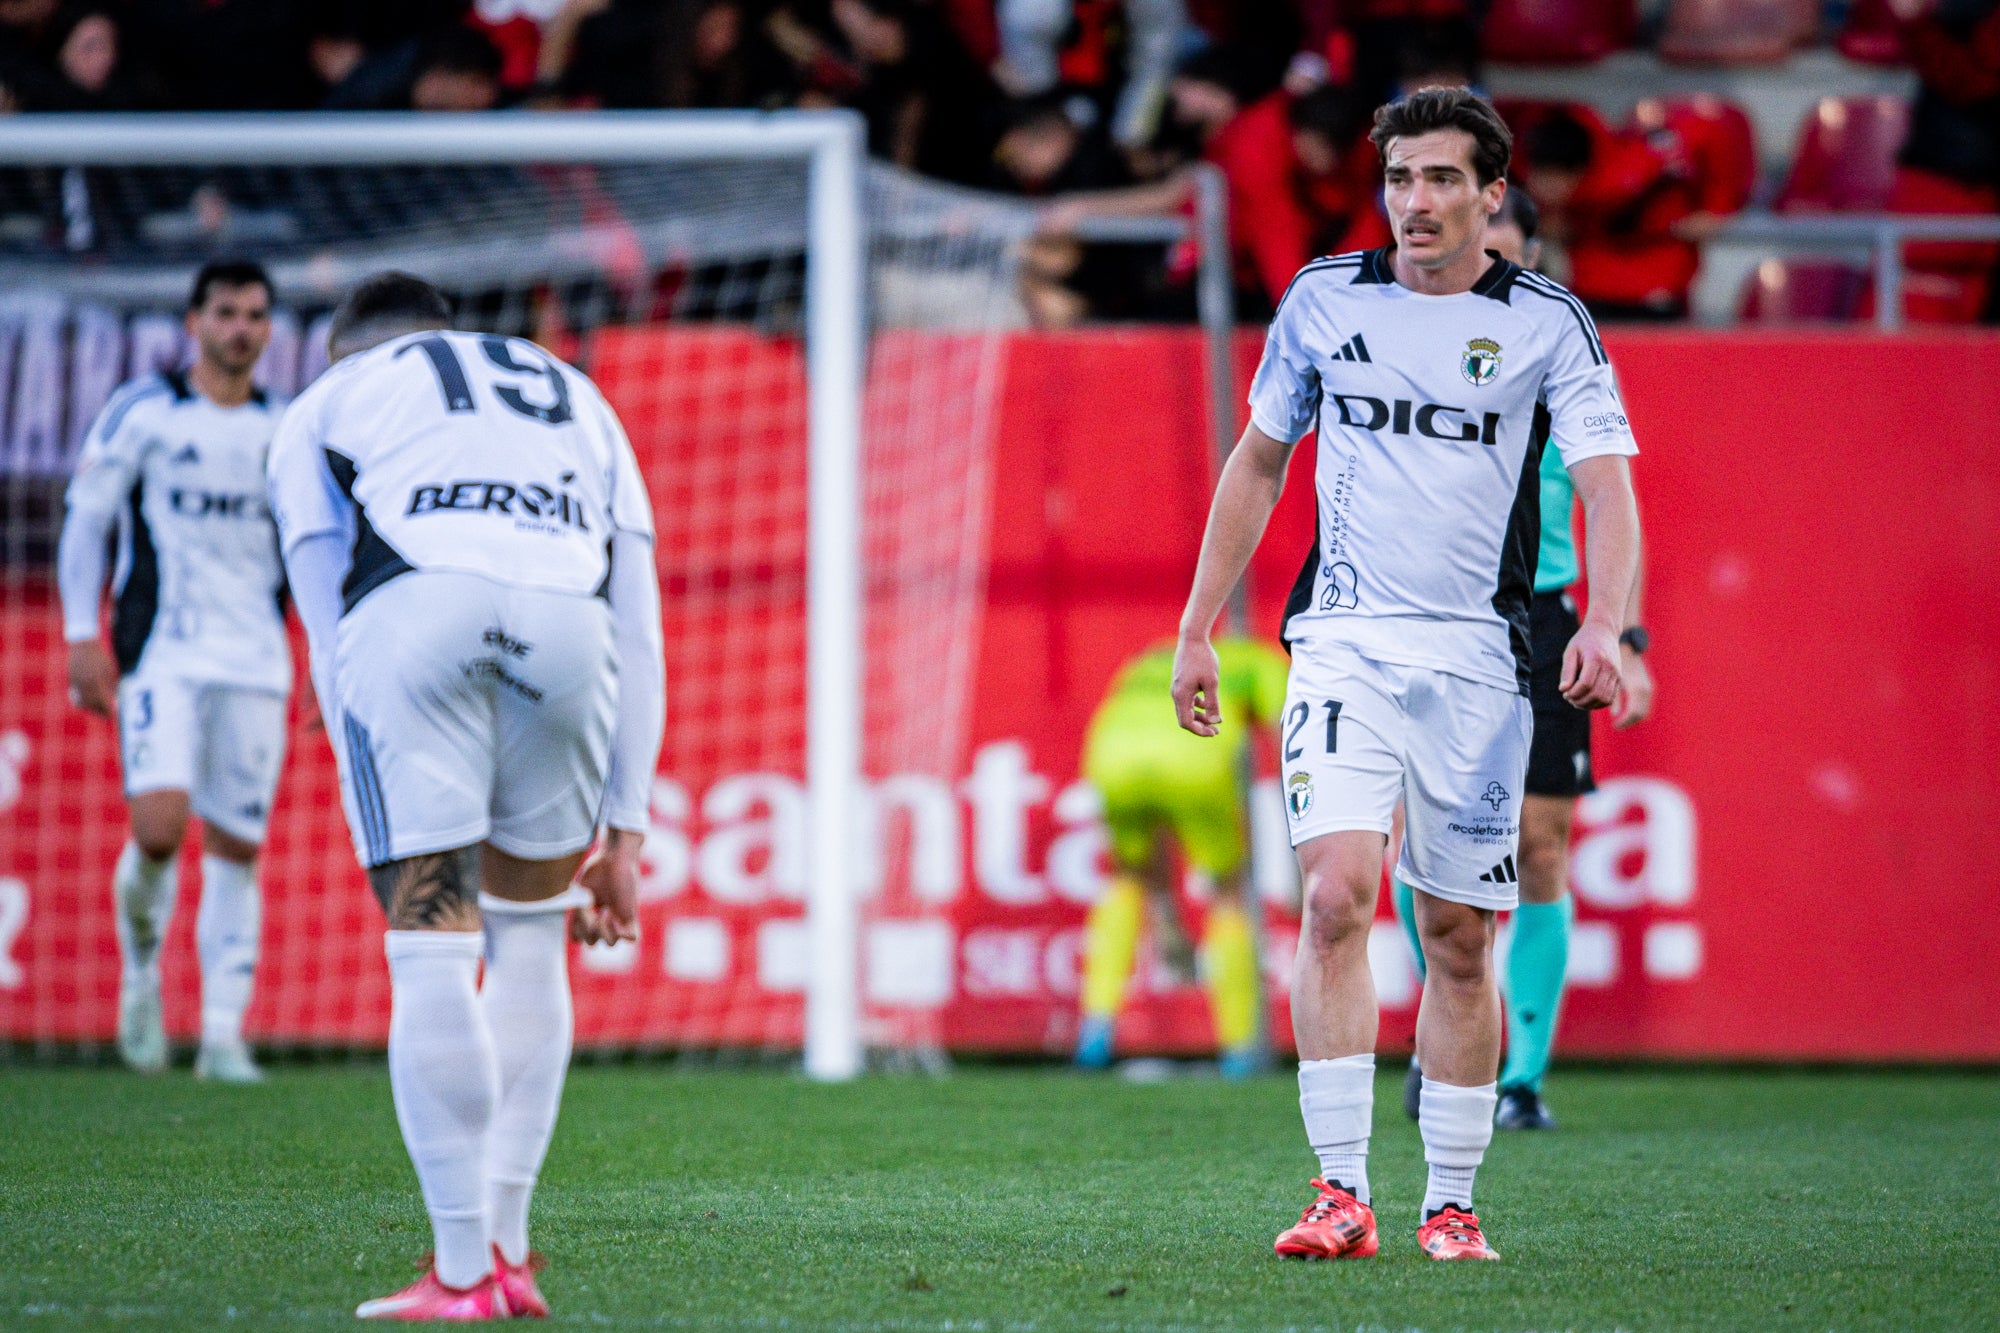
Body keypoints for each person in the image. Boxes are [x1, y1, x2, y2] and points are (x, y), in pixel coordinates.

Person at [1170, 87, 1641, 1263]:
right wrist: (1196, 626)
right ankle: (1338, 1190)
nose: (1414, 202)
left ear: (1490, 195)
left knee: (1459, 936)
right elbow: (1258, 461)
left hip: (1481, 661)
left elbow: (1606, 487)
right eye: (1397, 179)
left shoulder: (1547, 322)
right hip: (1341, 640)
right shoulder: (1323, 301)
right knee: (1332, 894)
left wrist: (1609, 627)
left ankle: (1451, 1201)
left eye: (1439, 180)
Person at [266, 272, 664, 1320]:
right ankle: (511, 1254)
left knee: (431, 944)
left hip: (416, 619)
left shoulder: (326, 401)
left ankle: (456, 1274)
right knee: (529, 939)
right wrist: (627, 827)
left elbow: (322, 603)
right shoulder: (575, 392)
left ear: (346, 350)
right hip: (568, 634)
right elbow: (640, 622)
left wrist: (345, 703)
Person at [1392, 187, 1657, 1132]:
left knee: (1539, 844)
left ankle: (1523, 1077)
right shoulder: (1401, 341)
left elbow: (1609, 498)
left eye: (1500, 237)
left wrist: (1622, 636)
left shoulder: (1565, 354)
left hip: (1539, 618)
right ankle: (1444, 1040)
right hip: (1425, 614)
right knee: (1419, 845)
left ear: (1529, 250)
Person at [57, 260, 291, 1084]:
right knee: (159, 831)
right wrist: (83, 634)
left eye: (256, 315)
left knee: (238, 845)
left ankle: (224, 1033)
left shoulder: (287, 427)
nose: (240, 328)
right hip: (163, 652)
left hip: (258, 656)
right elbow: (85, 525)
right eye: (226, 312)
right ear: (193, 322)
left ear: (270, 329)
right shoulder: (144, 411)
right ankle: (142, 975)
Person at [1074, 635, 1289, 1077]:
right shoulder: (1259, 661)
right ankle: (1240, 1048)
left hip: (1112, 756)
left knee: (1127, 877)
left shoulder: (1159, 653)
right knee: (1228, 891)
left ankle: (1095, 1030)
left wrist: (1168, 916)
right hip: (1195, 761)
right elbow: (1289, 730)